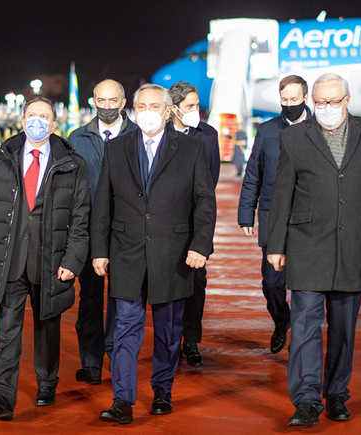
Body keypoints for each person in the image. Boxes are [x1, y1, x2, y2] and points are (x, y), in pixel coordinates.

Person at [267, 73, 361, 426]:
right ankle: (305, 400)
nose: (326, 108)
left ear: (347, 100)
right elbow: (282, 193)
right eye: (320, 102)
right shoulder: (294, 137)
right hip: (306, 244)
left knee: (343, 329)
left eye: (333, 101)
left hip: (352, 245)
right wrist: (276, 245)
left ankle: (336, 394)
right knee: (305, 325)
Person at [92, 84, 216, 424]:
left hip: (174, 255)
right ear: (133, 109)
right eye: (140, 105)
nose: (146, 111)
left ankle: (163, 389)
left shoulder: (191, 149)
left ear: (167, 111)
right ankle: (122, 400)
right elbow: (103, 203)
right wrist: (99, 250)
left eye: (153, 105)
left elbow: (204, 202)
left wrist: (200, 245)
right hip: (126, 253)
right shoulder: (116, 148)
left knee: (167, 329)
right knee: (125, 328)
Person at [0, 97, 90, 421]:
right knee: (6, 330)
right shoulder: (2, 158)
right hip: (9, 258)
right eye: (31, 115)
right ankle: (1, 395)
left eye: (44, 117)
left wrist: (73, 260)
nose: (36, 121)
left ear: (54, 124)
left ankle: (47, 381)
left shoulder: (72, 163)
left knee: (47, 326)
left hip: (50, 259)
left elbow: (80, 219)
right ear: (23, 121)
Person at [68, 79, 138, 386]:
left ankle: (115, 352)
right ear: (92, 101)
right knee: (91, 296)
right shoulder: (77, 138)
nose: (107, 107)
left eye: (113, 101)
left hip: (127, 230)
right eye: (101, 101)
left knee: (121, 297)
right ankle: (91, 361)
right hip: (87, 229)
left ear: (123, 103)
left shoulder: (138, 135)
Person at [238, 75, 311, 355]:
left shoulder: (319, 128)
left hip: (309, 219)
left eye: (294, 99)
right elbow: (253, 172)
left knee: (306, 285)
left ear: (305, 98)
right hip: (273, 217)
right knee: (271, 283)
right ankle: (282, 320)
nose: (289, 104)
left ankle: (304, 340)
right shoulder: (267, 131)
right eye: (285, 100)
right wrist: (247, 212)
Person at [168, 80, 220, 367]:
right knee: (167, 282)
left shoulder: (208, 136)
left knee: (196, 281)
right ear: (173, 108)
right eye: (189, 106)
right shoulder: (160, 133)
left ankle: (191, 340)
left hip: (195, 222)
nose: (195, 111)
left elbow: (209, 184)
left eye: (197, 105)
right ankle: (169, 341)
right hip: (164, 222)